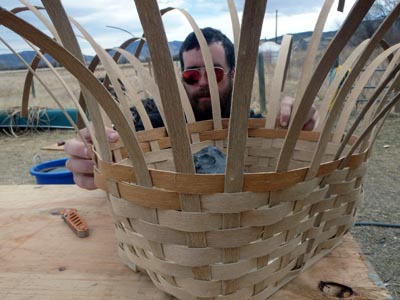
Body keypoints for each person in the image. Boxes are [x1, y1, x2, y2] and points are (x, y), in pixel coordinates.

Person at [65, 27, 317, 190]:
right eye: (192, 75)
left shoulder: (253, 129)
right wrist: (93, 152)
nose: (203, 82)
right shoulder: (155, 123)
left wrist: (295, 121)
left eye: (215, 73)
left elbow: (282, 155)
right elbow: (117, 137)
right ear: (182, 78)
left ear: (234, 74)